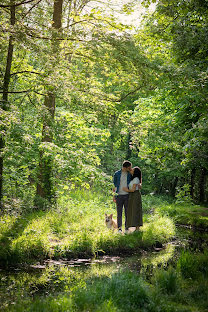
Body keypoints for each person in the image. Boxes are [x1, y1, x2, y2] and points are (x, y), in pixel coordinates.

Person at [113, 160, 132, 233]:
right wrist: (114, 196)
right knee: (119, 213)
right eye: (129, 167)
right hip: (119, 195)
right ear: (125, 167)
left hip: (127, 195)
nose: (130, 168)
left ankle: (127, 228)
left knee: (127, 212)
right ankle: (119, 228)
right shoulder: (117, 174)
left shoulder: (129, 174)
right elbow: (114, 186)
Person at [123, 166, 143, 231]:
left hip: (135, 195)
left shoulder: (136, 179)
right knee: (132, 210)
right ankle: (133, 226)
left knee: (136, 210)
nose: (131, 170)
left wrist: (126, 190)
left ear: (135, 172)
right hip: (131, 196)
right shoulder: (133, 179)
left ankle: (137, 228)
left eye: (133, 169)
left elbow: (133, 190)